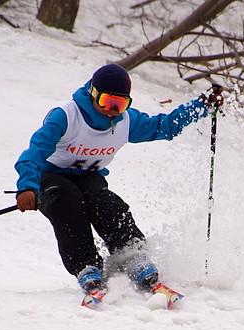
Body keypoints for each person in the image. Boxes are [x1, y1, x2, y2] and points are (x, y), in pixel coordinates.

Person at [14, 63, 224, 303]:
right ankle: (86, 266)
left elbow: (163, 127)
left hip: (89, 176)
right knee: (67, 201)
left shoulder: (125, 121)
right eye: (107, 102)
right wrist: (27, 188)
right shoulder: (66, 116)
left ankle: (132, 254)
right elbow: (33, 153)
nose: (113, 110)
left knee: (104, 201)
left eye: (120, 104)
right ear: (93, 94)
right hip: (51, 176)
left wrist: (202, 106)